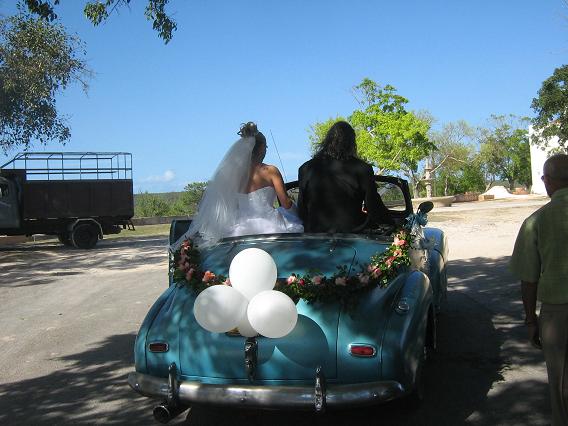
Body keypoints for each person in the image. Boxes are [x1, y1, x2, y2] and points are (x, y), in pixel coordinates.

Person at [171, 122, 302, 249]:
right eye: (266, 147)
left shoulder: (232, 175)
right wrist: (298, 214)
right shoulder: (271, 171)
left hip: (240, 229)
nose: (266, 151)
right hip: (270, 225)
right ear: (261, 148)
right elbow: (285, 203)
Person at [510, 153, 568, 426]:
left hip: (558, 314)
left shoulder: (536, 221)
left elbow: (528, 279)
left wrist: (530, 320)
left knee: (562, 386)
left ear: (548, 182)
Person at [297, 121, 392, 233]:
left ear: (326, 141)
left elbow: (302, 208)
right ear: (352, 143)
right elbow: (373, 206)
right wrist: (391, 223)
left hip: (316, 235)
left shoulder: (306, 168)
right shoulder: (362, 168)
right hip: (354, 233)